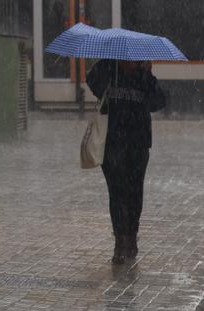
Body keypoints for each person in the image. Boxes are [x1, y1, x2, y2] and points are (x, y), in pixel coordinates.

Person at [86, 59, 167, 264]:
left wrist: (148, 75)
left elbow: (158, 102)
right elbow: (92, 81)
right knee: (117, 192)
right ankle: (120, 241)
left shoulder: (143, 76)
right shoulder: (107, 68)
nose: (130, 62)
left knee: (134, 192)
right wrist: (108, 67)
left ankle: (131, 235)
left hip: (138, 143)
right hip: (112, 142)